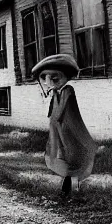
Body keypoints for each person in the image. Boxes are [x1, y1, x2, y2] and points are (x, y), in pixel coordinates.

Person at [32, 54, 98, 198]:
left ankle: (73, 192)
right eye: (45, 79)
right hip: (58, 133)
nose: (49, 82)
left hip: (68, 132)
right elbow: (52, 114)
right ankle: (66, 191)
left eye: (54, 79)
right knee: (62, 160)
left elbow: (60, 113)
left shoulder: (68, 91)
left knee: (73, 160)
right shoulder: (55, 93)